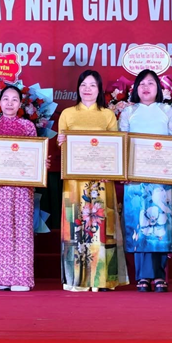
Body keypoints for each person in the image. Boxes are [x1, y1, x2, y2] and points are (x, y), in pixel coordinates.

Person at [56, 70, 129, 292]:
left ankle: (102, 279)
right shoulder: (67, 114)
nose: (87, 89)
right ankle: (77, 280)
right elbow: (63, 149)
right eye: (83, 85)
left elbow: (114, 147)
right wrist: (61, 142)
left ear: (99, 90)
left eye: (92, 85)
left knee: (101, 225)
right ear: (78, 88)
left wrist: (111, 169)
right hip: (74, 180)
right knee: (76, 225)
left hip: (101, 178)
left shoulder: (107, 115)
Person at [119, 70, 172, 293]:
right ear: (135, 89)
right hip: (135, 178)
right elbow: (122, 144)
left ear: (158, 88)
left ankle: (159, 275)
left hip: (161, 178)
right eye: (141, 83)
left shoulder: (167, 111)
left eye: (150, 83)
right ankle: (142, 276)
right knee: (139, 225)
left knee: (160, 226)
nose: (146, 87)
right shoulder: (128, 112)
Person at [0, 85, 47, 292]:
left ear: (20, 104)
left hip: (22, 185)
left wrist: (41, 164)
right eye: (6, 99)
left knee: (21, 228)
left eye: (14, 99)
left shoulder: (27, 126)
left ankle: (21, 278)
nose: (10, 103)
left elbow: (34, 154)